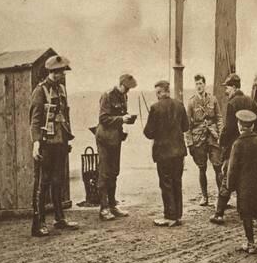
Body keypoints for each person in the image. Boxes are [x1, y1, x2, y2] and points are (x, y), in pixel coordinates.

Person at [29, 55, 78, 237]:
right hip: (45, 144)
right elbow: (34, 120)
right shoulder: (40, 91)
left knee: (58, 181)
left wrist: (67, 139)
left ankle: (59, 219)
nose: (59, 75)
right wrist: (36, 143)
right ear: (50, 72)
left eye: (61, 72)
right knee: (43, 182)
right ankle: (38, 223)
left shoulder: (62, 90)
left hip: (60, 142)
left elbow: (65, 115)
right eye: (56, 72)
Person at [210, 73, 257, 224]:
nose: (226, 91)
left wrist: (221, 140)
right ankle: (253, 214)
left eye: (228, 87)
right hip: (250, 145)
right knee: (248, 179)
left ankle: (219, 214)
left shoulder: (232, 103)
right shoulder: (250, 101)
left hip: (234, 147)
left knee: (228, 178)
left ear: (235, 87)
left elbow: (229, 127)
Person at [227, 110, 257, 254]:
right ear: (253, 126)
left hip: (244, 188)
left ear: (239, 126)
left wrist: (231, 186)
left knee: (247, 215)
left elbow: (232, 169)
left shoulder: (237, 144)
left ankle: (251, 244)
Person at [143, 80, 189, 227]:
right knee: (177, 182)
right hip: (179, 152)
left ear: (160, 92)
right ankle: (177, 215)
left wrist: (157, 131)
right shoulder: (179, 105)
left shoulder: (155, 108)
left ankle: (170, 216)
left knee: (166, 184)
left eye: (157, 92)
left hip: (163, 153)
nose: (157, 95)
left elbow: (148, 133)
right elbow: (186, 127)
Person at [95, 74, 138, 221]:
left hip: (116, 139)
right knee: (104, 172)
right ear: (120, 84)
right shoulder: (107, 96)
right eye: (126, 88)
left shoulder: (123, 97)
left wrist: (127, 117)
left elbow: (121, 114)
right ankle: (104, 208)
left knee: (114, 171)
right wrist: (121, 119)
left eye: (129, 89)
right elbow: (103, 118)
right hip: (105, 139)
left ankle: (113, 205)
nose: (127, 91)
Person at [185, 74, 224, 206]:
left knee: (218, 166)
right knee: (202, 168)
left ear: (204, 84)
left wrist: (220, 134)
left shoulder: (213, 99)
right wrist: (190, 143)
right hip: (198, 138)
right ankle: (205, 196)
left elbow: (219, 118)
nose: (199, 86)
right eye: (196, 84)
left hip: (212, 137)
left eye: (201, 83)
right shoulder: (191, 102)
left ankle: (221, 196)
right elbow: (187, 126)